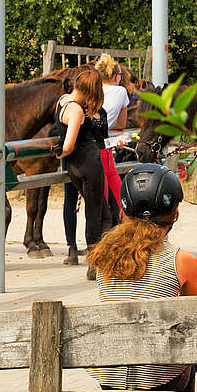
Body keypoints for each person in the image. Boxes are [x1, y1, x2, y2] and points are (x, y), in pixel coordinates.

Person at [84, 164, 197, 392]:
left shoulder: (104, 256)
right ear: (175, 213)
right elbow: (190, 321)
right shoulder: (183, 261)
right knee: (189, 359)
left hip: (109, 376)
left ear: (123, 212)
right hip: (160, 378)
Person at [56, 68, 116, 266]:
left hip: (74, 166)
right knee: (96, 214)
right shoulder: (76, 110)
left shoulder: (62, 101)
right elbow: (69, 145)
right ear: (90, 91)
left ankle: (96, 259)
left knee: (102, 212)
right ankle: (94, 262)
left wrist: (61, 154)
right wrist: (61, 152)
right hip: (89, 163)